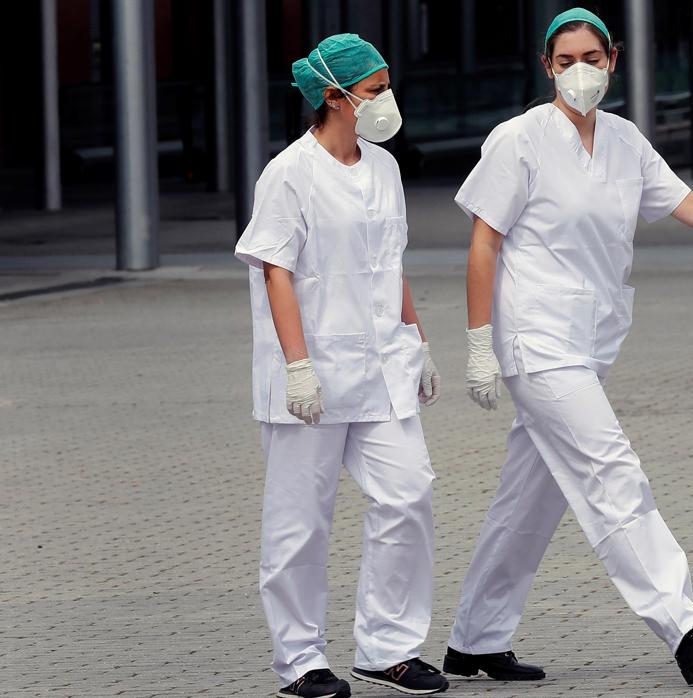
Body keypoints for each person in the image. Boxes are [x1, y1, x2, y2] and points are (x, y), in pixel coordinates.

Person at [442, 8, 693, 688]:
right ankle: (682, 625)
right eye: (565, 62)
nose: (580, 72)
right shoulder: (519, 140)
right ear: (546, 66)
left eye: (592, 57)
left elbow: (688, 204)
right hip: (536, 341)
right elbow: (484, 242)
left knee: (529, 500)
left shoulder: (622, 140)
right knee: (610, 471)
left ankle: (475, 638)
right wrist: (478, 344)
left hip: (588, 344)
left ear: (613, 60)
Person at [235, 34, 449, 698]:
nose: (387, 100)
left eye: (386, 86)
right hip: (315, 377)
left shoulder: (383, 168)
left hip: (383, 365)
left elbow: (392, 263)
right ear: (335, 97)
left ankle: (387, 647)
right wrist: (297, 366)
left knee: (408, 493)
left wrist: (419, 340)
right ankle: (300, 661)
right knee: (300, 523)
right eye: (375, 89)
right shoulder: (288, 174)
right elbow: (277, 271)